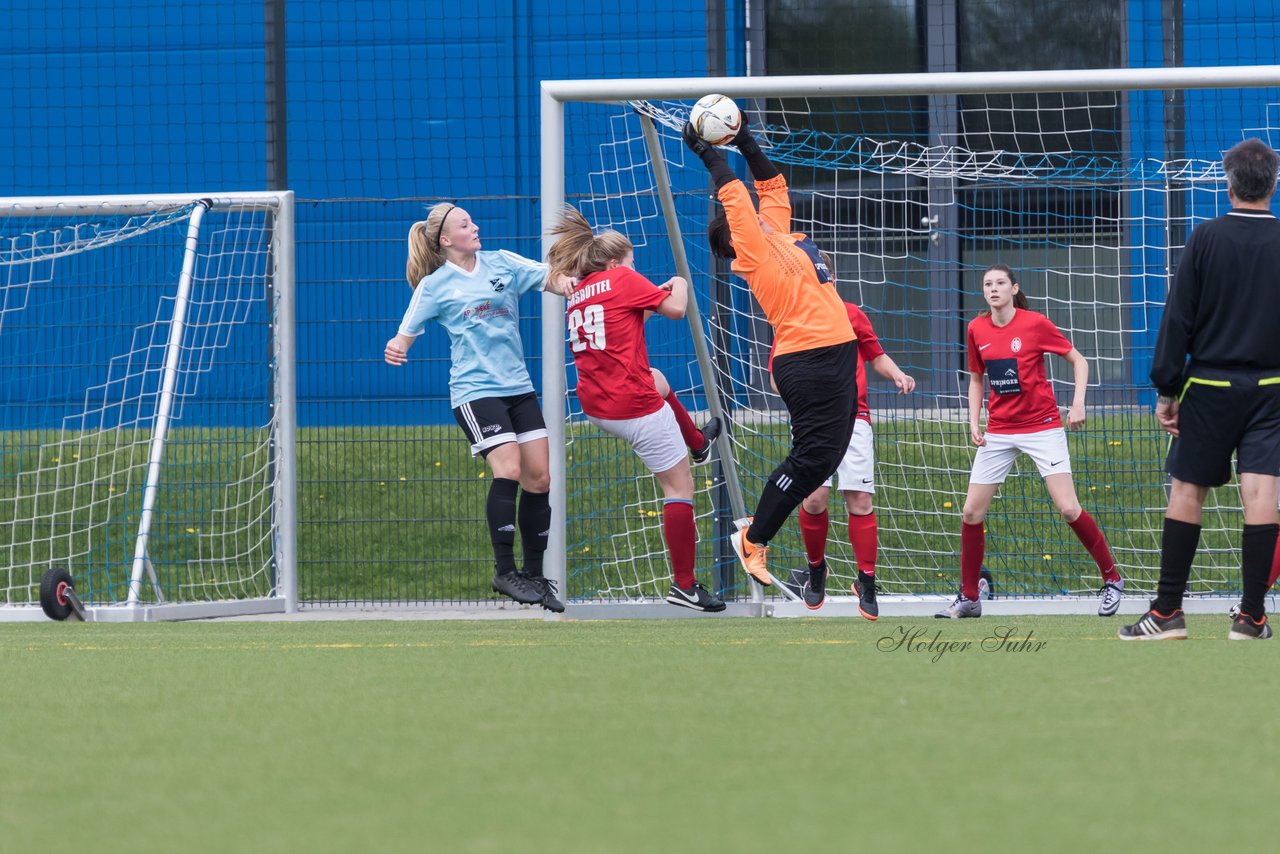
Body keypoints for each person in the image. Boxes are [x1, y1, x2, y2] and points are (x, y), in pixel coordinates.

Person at [683, 113, 860, 605]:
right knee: (811, 458)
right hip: (809, 356)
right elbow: (738, 196)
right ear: (739, 238)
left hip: (835, 349)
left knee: (827, 456)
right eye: (749, 222)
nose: (761, 214)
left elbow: (772, 186)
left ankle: (756, 535)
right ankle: (754, 539)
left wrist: (745, 139)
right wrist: (708, 151)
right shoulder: (755, 252)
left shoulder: (776, 235)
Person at [1121, 138, 1280, 641]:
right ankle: (1251, 618)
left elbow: (1178, 318)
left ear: (1228, 184)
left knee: (1188, 491)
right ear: (1273, 184)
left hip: (1209, 385)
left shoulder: (1205, 238)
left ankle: (1168, 613)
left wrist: (1167, 390)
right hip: (1273, 388)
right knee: (1262, 493)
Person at [384, 203, 570, 613]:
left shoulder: (502, 262)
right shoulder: (434, 286)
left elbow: (554, 280)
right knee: (509, 469)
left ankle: (534, 577)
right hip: (475, 392)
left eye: (472, 221)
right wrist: (397, 346)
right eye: (465, 224)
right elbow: (405, 333)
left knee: (540, 479)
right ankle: (504, 572)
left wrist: (587, 282)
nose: (475, 226)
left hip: (519, 389)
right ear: (446, 240)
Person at [546, 207, 725, 612]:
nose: (634, 267)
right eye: (631, 261)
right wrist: (678, 283)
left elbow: (622, 317)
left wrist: (654, 294)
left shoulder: (582, 292)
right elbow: (676, 310)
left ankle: (696, 441)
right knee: (679, 490)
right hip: (634, 407)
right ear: (614, 263)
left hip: (597, 404)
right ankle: (686, 587)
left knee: (658, 376)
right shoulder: (622, 278)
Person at [937, 264, 1123, 619]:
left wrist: (1078, 402)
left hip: (1042, 426)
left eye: (1000, 283)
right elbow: (977, 379)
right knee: (971, 512)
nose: (993, 289)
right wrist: (974, 421)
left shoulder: (1034, 323)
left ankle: (1112, 580)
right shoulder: (976, 329)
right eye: (988, 284)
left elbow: (1078, 361)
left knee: (1068, 508)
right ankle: (969, 597)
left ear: (1013, 288)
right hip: (1000, 431)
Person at [780, 301, 915, 618]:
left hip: (854, 417)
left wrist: (898, 374)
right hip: (812, 419)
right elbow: (777, 373)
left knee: (859, 500)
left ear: (832, 279)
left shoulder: (852, 314)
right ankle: (816, 569)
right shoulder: (792, 313)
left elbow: (876, 356)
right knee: (814, 499)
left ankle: (866, 580)